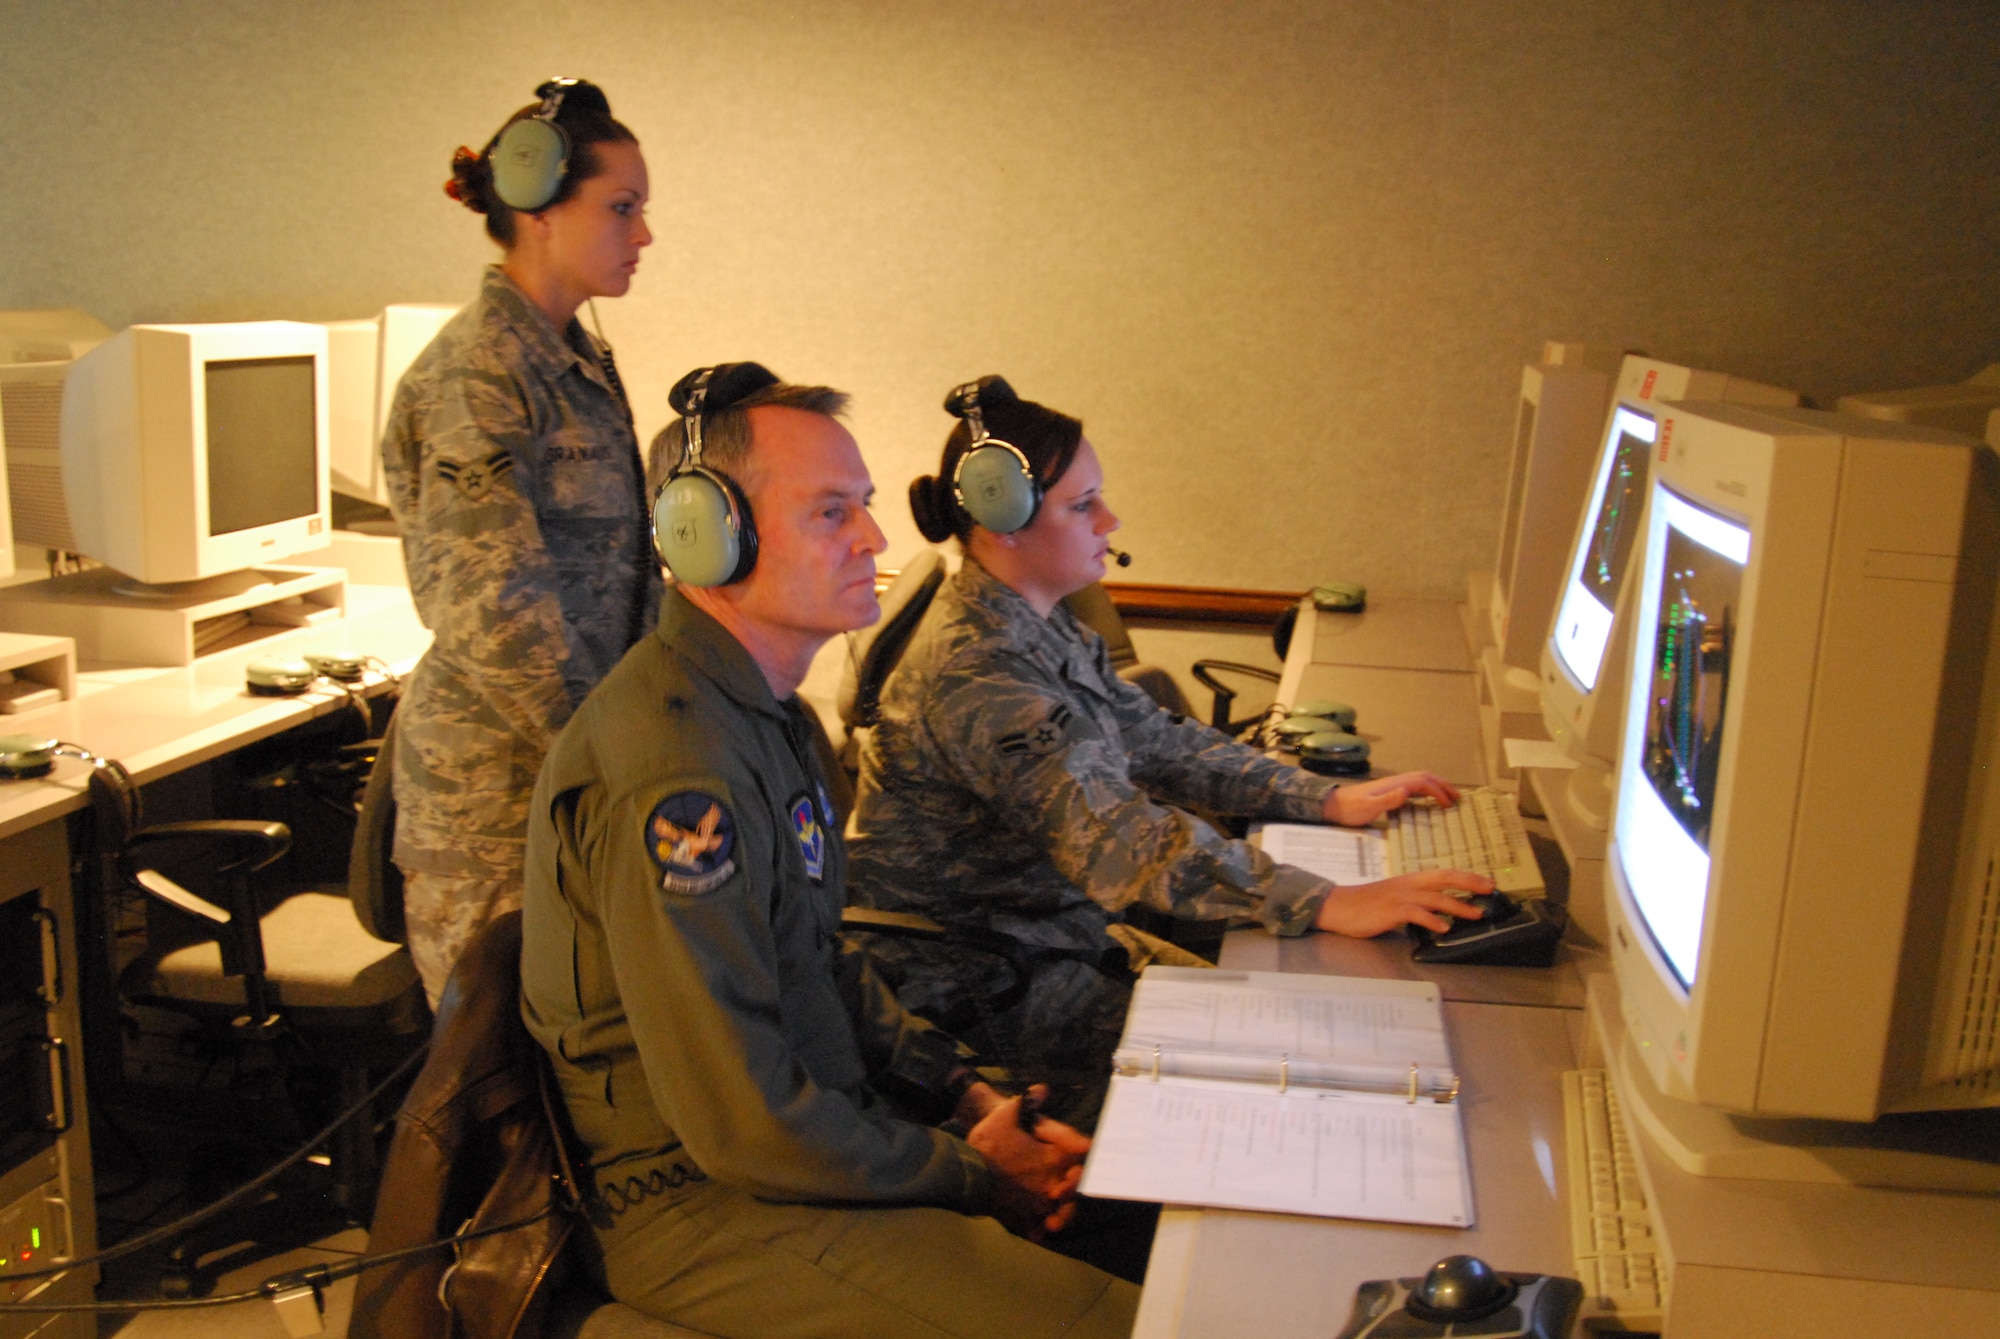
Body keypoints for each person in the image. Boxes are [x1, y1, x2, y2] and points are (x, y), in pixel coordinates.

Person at [519, 365, 1138, 1338]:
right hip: (701, 1198)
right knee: (1111, 1323)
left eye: (864, 506)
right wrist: (976, 1171)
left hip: (815, 1135)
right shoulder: (679, 771)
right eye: (829, 513)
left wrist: (965, 1092)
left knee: (1138, 1231)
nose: (875, 539)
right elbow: (742, 1125)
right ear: (705, 536)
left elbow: (821, 958)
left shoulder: (771, 717)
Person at [845, 376, 1493, 1123]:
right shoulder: (979, 674)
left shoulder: (1036, 621)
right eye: (1083, 505)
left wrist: (1321, 795)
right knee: (1285, 1085)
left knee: (1310, 1019)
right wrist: (1329, 900)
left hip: (1055, 938)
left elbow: (1153, 736)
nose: (1109, 521)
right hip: (984, 986)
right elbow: (1125, 846)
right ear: (1004, 520)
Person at [383, 79, 661, 1004]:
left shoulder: (576, 358)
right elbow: (498, 613)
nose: (645, 234)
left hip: (572, 781)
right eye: (622, 208)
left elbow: (625, 576)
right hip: (497, 809)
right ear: (540, 208)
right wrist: (608, 775)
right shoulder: (477, 375)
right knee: (498, 1097)